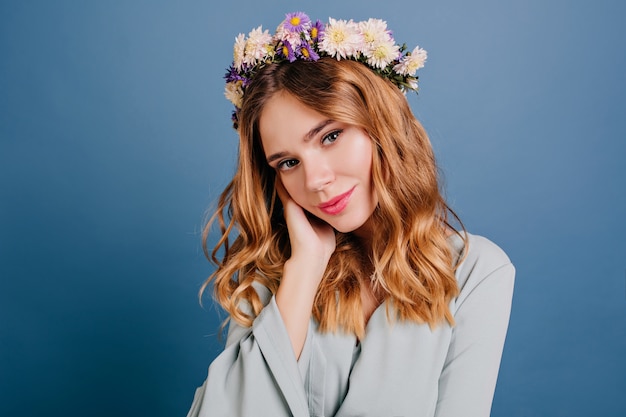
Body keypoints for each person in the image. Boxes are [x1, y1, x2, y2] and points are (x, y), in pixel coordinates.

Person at [188, 12, 515, 417]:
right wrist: (306, 267)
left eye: (330, 136)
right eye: (288, 162)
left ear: (381, 126)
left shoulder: (474, 272)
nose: (317, 180)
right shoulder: (275, 277)